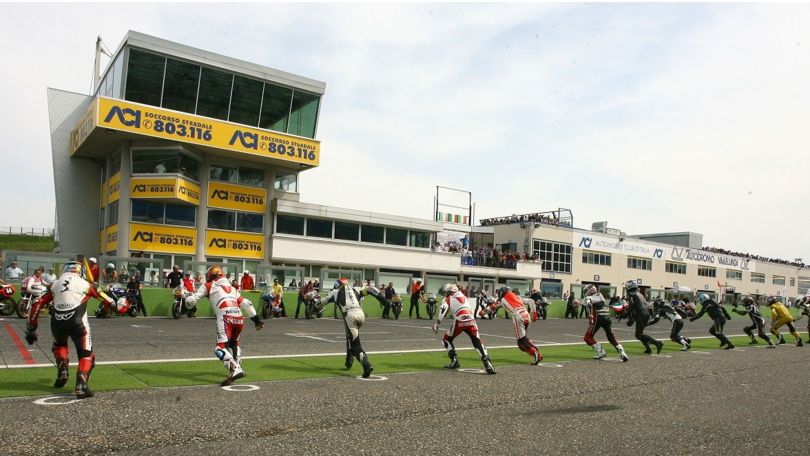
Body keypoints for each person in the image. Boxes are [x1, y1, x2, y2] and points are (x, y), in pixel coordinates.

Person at [24, 261, 114, 399]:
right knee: (86, 354)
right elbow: (109, 301)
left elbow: (36, 304)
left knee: (59, 345)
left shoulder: (55, 283)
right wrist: (116, 305)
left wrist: (31, 329)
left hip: (57, 321)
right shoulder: (87, 284)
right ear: (81, 272)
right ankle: (81, 385)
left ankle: (63, 372)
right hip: (78, 322)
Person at [184, 266, 265, 385]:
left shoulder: (209, 285)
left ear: (210, 275)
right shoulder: (233, 288)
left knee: (219, 348)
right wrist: (257, 321)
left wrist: (187, 304)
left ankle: (235, 368)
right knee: (234, 343)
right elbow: (247, 303)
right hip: (239, 317)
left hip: (225, 318)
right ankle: (237, 363)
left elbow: (192, 300)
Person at [433, 283, 496, 374]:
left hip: (460, 320)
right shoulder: (464, 296)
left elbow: (443, 308)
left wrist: (437, 323)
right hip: (471, 319)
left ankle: (454, 360)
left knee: (446, 339)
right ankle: (487, 362)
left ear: (449, 291)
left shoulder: (448, 298)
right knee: (477, 341)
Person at [322, 278, 374, 378]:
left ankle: (366, 365)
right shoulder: (355, 290)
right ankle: (351, 361)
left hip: (350, 316)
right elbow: (371, 290)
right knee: (352, 340)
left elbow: (323, 301)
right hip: (361, 315)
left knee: (355, 345)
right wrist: (383, 300)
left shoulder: (336, 292)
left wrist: (314, 308)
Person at [479, 286, 542, 365]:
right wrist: (534, 313)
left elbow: (491, 307)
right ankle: (533, 348)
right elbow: (531, 301)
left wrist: (482, 312)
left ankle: (535, 353)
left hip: (518, 317)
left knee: (521, 343)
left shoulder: (502, 300)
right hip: (526, 316)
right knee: (523, 338)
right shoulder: (517, 297)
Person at [581, 284, 629, 361]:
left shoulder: (588, 298)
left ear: (589, 291)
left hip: (598, 317)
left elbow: (589, 304)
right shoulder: (600, 295)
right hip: (607, 316)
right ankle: (622, 352)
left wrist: (590, 315)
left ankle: (601, 351)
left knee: (588, 337)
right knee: (611, 336)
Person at [625, 280, 664, 354]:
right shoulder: (640, 294)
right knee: (640, 334)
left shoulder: (631, 294)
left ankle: (657, 343)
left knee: (639, 335)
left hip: (641, 314)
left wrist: (629, 317)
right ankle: (648, 348)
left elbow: (631, 305)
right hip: (645, 313)